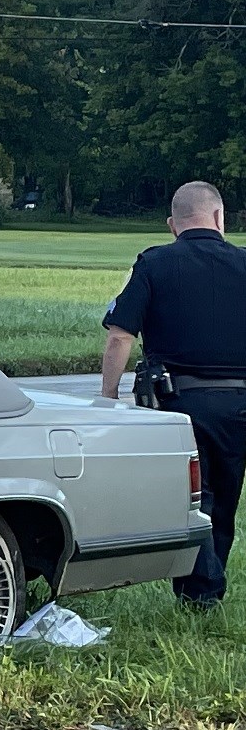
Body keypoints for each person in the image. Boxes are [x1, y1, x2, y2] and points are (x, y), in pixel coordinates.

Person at [101, 181, 246, 608]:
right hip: (240, 404)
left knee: (191, 500)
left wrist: (108, 399)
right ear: (220, 218)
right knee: (224, 497)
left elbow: (119, 337)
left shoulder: (155, 263)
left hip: (181, 405)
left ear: (172, 225)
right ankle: (204, 591)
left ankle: (202, 593)